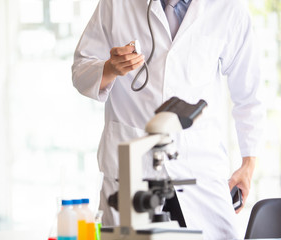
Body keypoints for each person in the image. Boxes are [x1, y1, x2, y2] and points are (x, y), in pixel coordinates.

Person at [72, 0, 264, 239]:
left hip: (199, 169)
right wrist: (110, 68)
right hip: (132, 168)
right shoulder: (116, 4)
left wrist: (248, 164)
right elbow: (80, 72)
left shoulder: (228, 7)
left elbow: (249, 95)